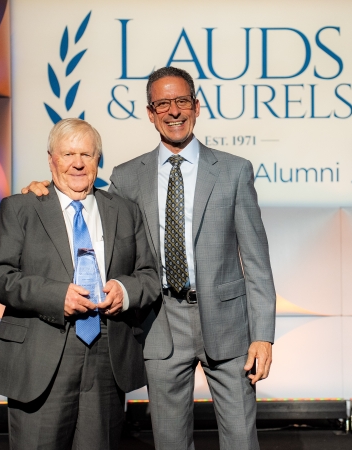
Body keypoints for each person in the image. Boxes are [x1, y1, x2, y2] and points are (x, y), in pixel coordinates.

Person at [23, 67, 276, 450]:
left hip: (228, 326)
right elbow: (83, 200)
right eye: (163, 104)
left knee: (241, 440)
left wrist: (262, 336)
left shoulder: (234, 171)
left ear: (196, 106)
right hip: (160, 323)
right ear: (150, 112)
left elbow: (257, 262)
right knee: (170, 442)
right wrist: (41, 188)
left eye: (181, 102)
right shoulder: (126, 177)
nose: (173, 111)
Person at [0, 118, 159, 450]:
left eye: (87, 155)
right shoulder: (20, 208)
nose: (78, 163)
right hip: (41, 351)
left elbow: (149, 275)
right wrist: (54, 295)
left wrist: (125, 291)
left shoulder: (125, 211)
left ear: (98, 160)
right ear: (51, 159)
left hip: (107, 354)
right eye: (68, 154)